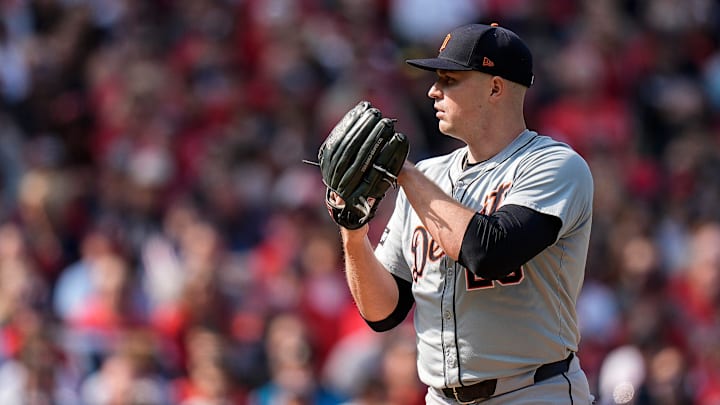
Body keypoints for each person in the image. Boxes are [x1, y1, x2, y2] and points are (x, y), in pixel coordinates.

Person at [334, 23, 595, 404]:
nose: (432, 90)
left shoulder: (554, 165)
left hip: (533, 391)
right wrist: (353, 233)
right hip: (441, 397)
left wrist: (403, 172)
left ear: (495, 87)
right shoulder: (426, 177)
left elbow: (488, 252)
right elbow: (383, 312)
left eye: (450, 79)